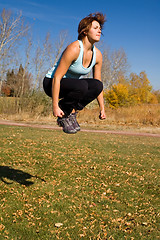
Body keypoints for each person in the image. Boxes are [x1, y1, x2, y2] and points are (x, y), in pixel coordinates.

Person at [43, 12, 106, 134]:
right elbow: (57, 77)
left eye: (100, 28)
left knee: (97, 85)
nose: (99, 31)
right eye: (95, 28)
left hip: (71, 86)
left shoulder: (97, 55)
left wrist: (102, 108)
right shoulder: (75, 48)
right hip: (51, 83)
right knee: (81, 86)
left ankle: (71, 113)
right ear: (85, 31)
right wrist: (55, 106)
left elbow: (98, 85)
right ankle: (64, 112)